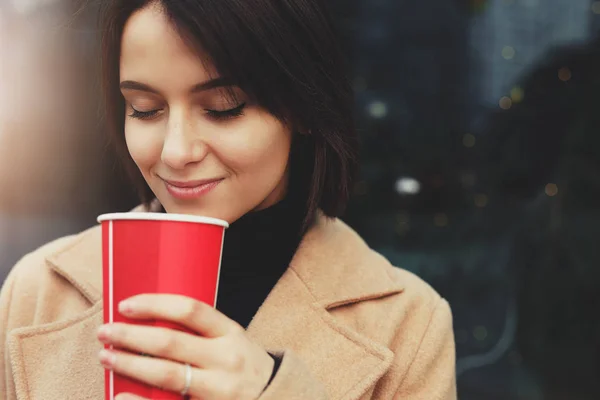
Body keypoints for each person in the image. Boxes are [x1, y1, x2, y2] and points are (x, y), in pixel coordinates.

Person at [0, 0, 457, 399]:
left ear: (303, 107)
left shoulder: (408, 324)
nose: (175, 152)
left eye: (223, 107)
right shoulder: (38, 292)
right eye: (145, 108)